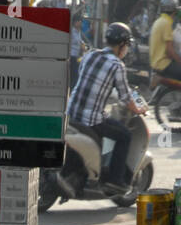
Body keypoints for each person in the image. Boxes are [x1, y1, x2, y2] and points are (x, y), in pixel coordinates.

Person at [61, 21, 147, 195]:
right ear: (122, 45)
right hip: (90, 119)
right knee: (124, 135)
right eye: (127, 45)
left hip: (71, 112)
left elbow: (92, 82)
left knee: (106, 120)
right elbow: (126, 97)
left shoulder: (90, 55)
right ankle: (115, 181)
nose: (127, 49)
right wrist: (138, 110)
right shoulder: (117, 65)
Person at [149, 0, 179, 77]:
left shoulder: (158, 21)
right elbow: (169, 51)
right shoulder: (167, 23)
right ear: (175, 11)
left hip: (155, 63)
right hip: (164, 64)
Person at [69, 2, 87, 87]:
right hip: (72, 56)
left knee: (76, 75)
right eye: (79, 22)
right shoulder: (72, 32)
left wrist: (83, 45)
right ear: (75, 22)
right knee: (74, 76)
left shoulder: (78, 31)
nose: (80, 23)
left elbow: (79, 42)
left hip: (77, 56)